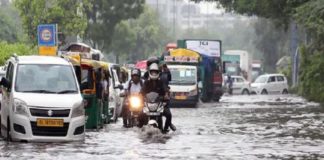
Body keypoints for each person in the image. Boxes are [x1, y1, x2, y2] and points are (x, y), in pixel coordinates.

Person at [141, 62, 176, 133]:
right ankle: (139, 128)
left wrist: (166, 95)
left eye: (155, 72)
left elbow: (165, 90)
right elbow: (142, 91)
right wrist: (140, 96)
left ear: (158, 72)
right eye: (152, 72)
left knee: (169, 115)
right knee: (139, 114)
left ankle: (166, 129)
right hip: (148, 104)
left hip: (159, 104)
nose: (154, 74)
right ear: (150, 72)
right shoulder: (146, 82)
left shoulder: (161, 82)